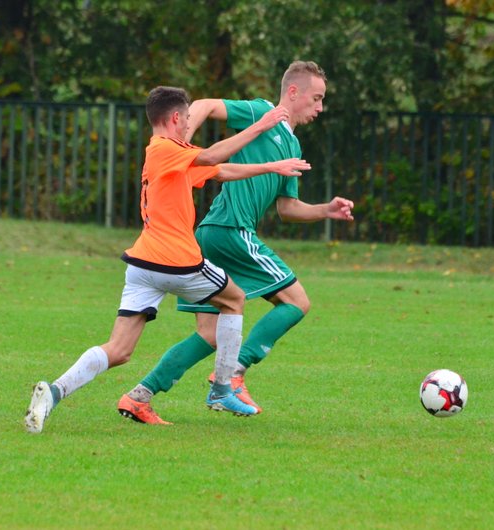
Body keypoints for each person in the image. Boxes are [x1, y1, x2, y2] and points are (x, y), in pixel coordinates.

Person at [25, 86, 310, 432]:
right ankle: (222, 389)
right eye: (187, 118)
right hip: (176, 260)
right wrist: (261, 125)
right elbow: (211, 156)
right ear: (176, 118)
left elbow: (220, 170)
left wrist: (271, 166)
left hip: (142, 264)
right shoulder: (164, 148)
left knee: (119, 350)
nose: (190, 123)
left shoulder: (174, 155)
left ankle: (53, 393)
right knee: (234, 300)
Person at [122, 61, 354, 419]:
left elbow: (288, 209)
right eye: (317, 98)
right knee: (296, 301)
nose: (320, 108)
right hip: (232, 230)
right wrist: (181, 143)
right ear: (293, 92)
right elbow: (205, 105)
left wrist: (326, 210)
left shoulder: (292, 145)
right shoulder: (261, 112)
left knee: (211, 334)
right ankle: (234, 372)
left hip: (210, 233)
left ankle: (140, 395)